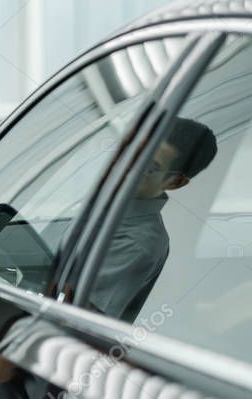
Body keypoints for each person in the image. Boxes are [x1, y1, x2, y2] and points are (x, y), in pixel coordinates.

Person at [89, 117, 218, 321]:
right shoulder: (104, 207)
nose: (125, 168)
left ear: (175, 182)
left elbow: (75, 315)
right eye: (130, 153)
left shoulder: (137, 242)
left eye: (148, 167)